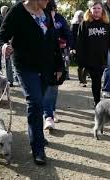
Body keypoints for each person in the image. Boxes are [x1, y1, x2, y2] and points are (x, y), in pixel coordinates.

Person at [0, 0, 64, 165]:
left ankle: (37, 135)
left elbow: (53, 40)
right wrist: (3, 46)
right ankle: (37, 148)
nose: (49, 1)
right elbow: (1, 34)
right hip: (25, 67)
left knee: (38, 102)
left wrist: (59, 64)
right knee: (35, 102)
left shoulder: (46, 12)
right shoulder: (18, 11)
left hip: (46, 66)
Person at [76, 0, 110, 107]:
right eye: (94, 8)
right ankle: (97, 102)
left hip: (102, 58)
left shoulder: (106, 24)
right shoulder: (84, 24)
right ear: (90, 10)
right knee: (96, 80)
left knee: (98, 79)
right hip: (89, 58)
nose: (96, 10)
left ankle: (97, 100)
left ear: (102, 10)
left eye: (98, 8)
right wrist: (80, 60)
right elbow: (80, 42)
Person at [43, 0, 70, 129]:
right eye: (48, 11)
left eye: (52, 10)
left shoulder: (59, 20)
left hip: (57, 57)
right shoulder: (39, 22)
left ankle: (51, 111)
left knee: (54, 86)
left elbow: (68, 34)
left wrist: (65, 42)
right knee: (47, 87)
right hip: (41, 60)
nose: (51, 13)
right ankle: (48, 116)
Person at [70, 10, 87, 86]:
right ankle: (81, 81)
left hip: (85, 47)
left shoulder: (85, 24)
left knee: (87, 64)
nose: (81, 18)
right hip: (77, 47)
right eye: (80, 16)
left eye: (82, 16)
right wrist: (72, 48)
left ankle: (84, 78)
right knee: (80, 65)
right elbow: (72, 38)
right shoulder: (74, 26)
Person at [0, 5, 15, 87]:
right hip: (5, 45)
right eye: (2, 13)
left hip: (13, 44)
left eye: (5, 12)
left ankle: (12, 80)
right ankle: (8, 81)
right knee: (7, 63)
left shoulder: (13, 18)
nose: (3, 14)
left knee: (13, 63)